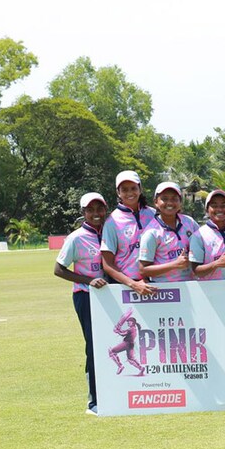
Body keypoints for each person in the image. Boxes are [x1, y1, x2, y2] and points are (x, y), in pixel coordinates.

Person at [54, 192, 109, 415]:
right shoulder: (76, 237)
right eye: (90, 210)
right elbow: (59, 269)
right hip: (86, 296)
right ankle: (94, 399)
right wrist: (88, 280)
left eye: (99, 209)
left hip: (110, 295)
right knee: (93, 346)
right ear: (83, 213)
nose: (95, 214)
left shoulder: (110, 231)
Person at [101, 170, 157, 296]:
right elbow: (108, 264)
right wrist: (133, 284)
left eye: (133, 188)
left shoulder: (153, 214)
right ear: (118, 193)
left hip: (154, 282)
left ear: (140, 189)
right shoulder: (112, 222)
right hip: (125, 287)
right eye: (125, 190)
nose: (130, 193)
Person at [139, 182, 200, 283]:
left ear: (180, 202)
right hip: (165, 290)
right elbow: (143, 270)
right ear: (156, 202)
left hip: (191, 285)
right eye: (164, 199)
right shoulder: (151, 232)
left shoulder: (189, 222)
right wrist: (175, 265)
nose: (170, 203)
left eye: (174, 199)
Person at [108, 308, 145, 376]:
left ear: (133, 322)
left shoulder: (131, 329)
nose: (128, 322)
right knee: (130, 359)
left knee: (111, 351)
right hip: (131, 344)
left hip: (126, 344)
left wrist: (117, 330)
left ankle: (120, 366)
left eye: (129, 321)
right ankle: (141, 368)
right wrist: (118, 330)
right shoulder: (134, 329)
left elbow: (123, 333)